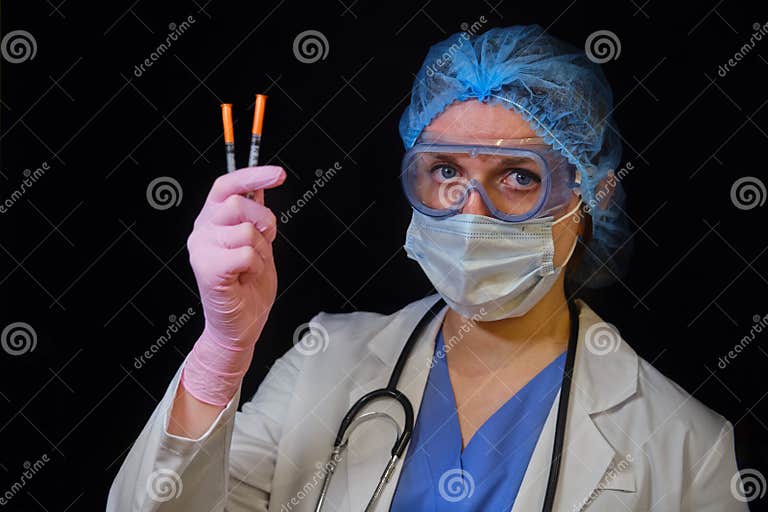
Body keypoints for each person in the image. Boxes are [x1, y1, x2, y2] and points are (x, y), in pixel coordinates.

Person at [107, 25, 748, 511]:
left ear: (591, 198)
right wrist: (223, 352)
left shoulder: (686, 446)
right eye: (446, 171)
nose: (471, 212)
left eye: (519, 177)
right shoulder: (322, 361)